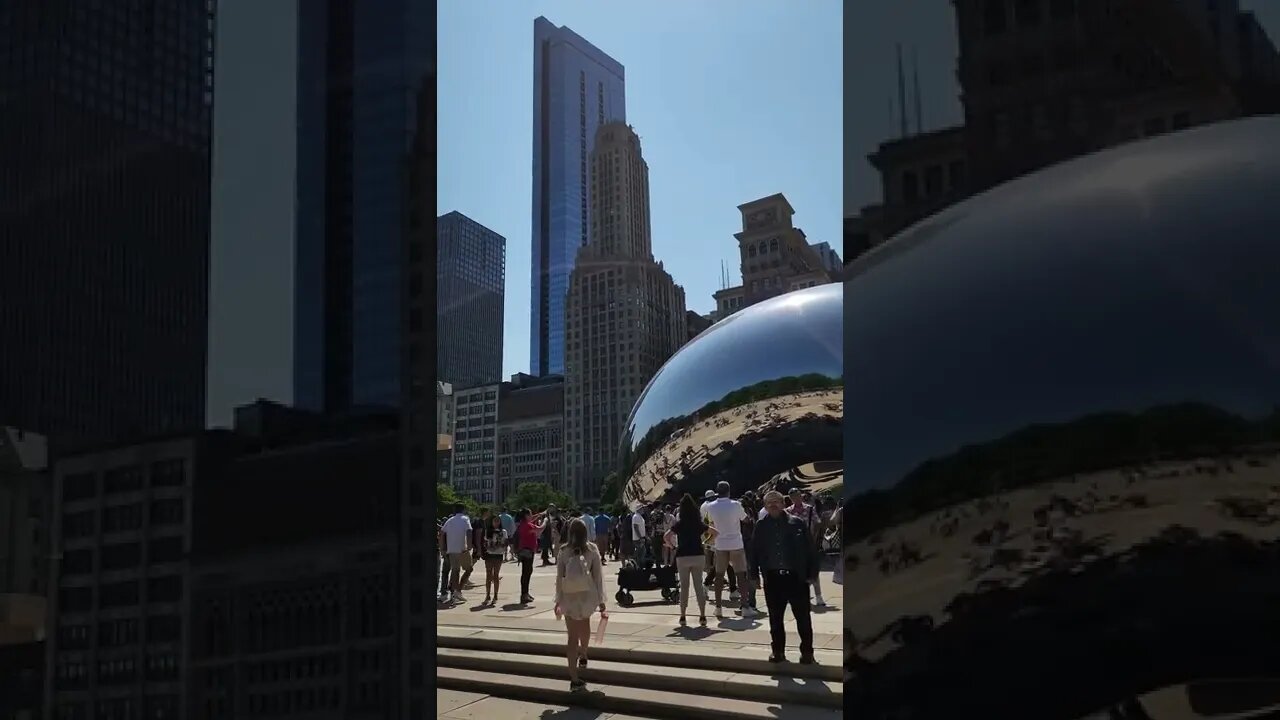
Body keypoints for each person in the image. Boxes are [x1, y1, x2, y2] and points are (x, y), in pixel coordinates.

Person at [750, 490, 819, 664]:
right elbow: (754, 552)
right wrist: (754, 575)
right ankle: (778, 652)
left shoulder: (797, 523)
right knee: (775, 618)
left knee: (803, 617)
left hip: (796, 578)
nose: (773, 505)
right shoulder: (761, 525)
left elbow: (811, 550)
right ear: (765, 506)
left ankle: (807, 652)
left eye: (776, 501)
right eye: (769, 502)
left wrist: (812, 574)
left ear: (783, 503)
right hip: (773, 578)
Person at [554, 517, 606, 692]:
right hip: (586, 595)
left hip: (568, 596)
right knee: (585, 626)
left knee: (571, 636)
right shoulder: (592, 549)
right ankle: (583, 652)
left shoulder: (563, 551)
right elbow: (598, 577)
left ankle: (574, 677)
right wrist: (601, 600)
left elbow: (559, 577)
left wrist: (558, 600)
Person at [703, 481, 757, 618]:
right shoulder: (736, 505)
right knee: (741, 575)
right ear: (729, 491)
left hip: (720, 544)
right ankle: (745, 607)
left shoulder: (710, 506)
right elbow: (746, 520)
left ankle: (718, 607)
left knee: (719, 576)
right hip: (736, 543)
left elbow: (710, 523)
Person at [665, 493, 715, 626]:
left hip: (683, 556)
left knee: (684, 587)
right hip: (698, 554)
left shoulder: (679, 524)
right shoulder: (698, 523)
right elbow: (715, 532)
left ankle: (682, 616)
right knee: (698, 586)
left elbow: (666, 536)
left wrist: (672, 546)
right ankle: (703, 615)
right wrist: (707, 542)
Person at [786, 488, 827, 607]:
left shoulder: (809, 509)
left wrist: (814, 537)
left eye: (797, 496)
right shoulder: (788, 511)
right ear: (791, 498)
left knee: (813, 569)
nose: (796, 498)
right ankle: (802, 595)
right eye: (793, 497)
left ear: (801, 496)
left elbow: (818, 523)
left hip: (809, 542)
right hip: (795, 545)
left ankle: (818, 596)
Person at [440, 504, 472, 603]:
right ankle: (457, 591)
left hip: (452, 549)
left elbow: (441, 533)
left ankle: (455, 592)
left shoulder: (450, 520)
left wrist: (442, 548)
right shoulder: (465, 518)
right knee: (469, 569)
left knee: (455, 571)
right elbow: (469, 531)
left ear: (454, 510)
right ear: (463, 510)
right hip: (462, 549)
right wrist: (470, 545)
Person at [514, 509, 543, 604]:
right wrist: (546, 521)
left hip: (524, 550)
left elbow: (531, 520)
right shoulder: (528, 525)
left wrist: (539, 515)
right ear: (526, 515)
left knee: (526, 572)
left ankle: (525, 593)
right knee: (527, 573)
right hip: (528, 551)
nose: (532, 516)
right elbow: (539, 529)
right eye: (530, 514)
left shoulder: (523, 524)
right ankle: (524, 594)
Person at [482, 513, 508, 605]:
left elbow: (505, 543)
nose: (496, 523)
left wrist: (500, 546)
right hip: (490, 554)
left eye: (498, 521)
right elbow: (485, 543)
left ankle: (495, 595)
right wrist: (489, 547)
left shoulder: (503, 531)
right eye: (494, 521)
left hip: (498, 555)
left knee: (496, 575)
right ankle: (488, 594)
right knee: (488, 575)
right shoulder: (488, 531)